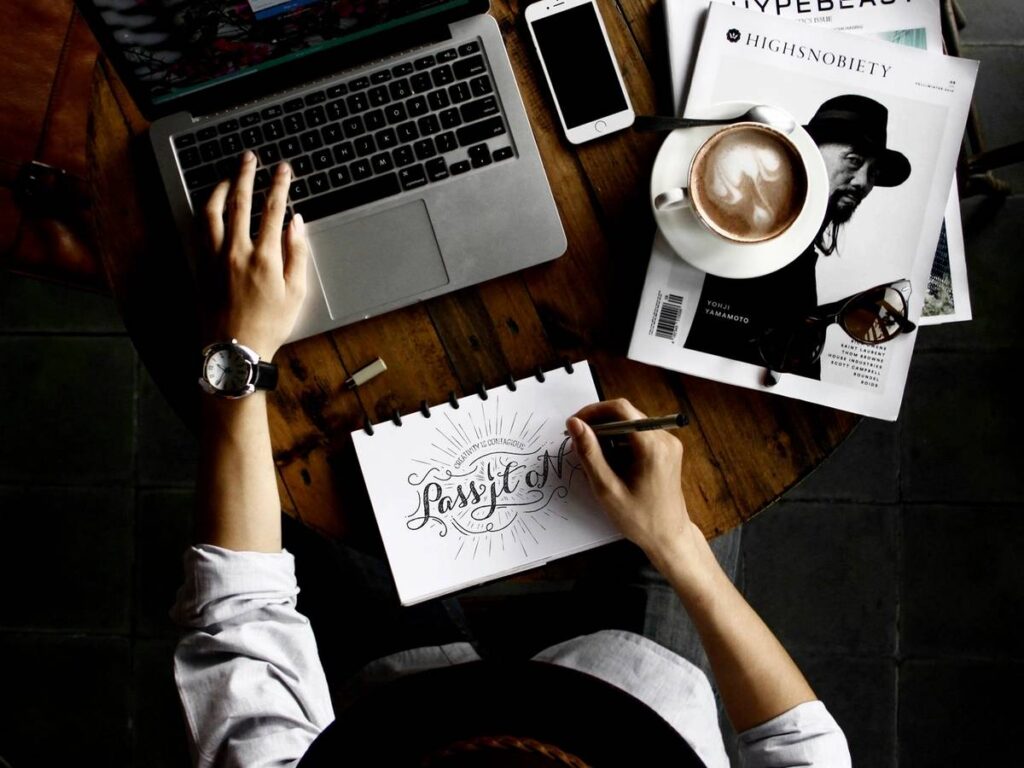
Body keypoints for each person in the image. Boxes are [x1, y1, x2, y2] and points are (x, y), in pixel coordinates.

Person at [171, 150, 851, 766]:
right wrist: (674, 542)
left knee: (318, 480)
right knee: (703, 432)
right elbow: (805, 748)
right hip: (645, 685)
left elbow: (239, 614)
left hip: (401, 700)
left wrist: (242, 352)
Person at [683, 94, 912, 380]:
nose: (864, 183)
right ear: (810, 152)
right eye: (854, 161)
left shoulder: (801, 253)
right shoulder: (755, 234)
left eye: (874, 172)